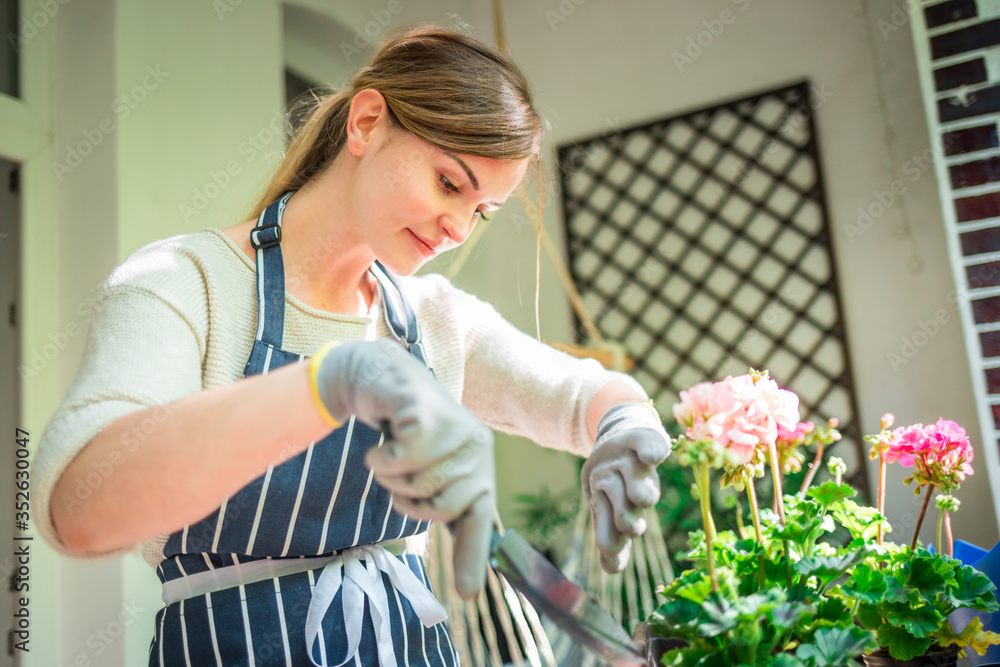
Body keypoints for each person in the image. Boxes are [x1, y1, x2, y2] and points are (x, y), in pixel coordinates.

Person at [34, 25, 671, 667]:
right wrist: (337, 380)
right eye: (450, 183)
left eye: (482, 211)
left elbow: (583, 393)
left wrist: (624, 422)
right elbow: (76, 506)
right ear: (366, 123)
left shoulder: (433, 321)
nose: (457, 228)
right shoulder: (186, 284)